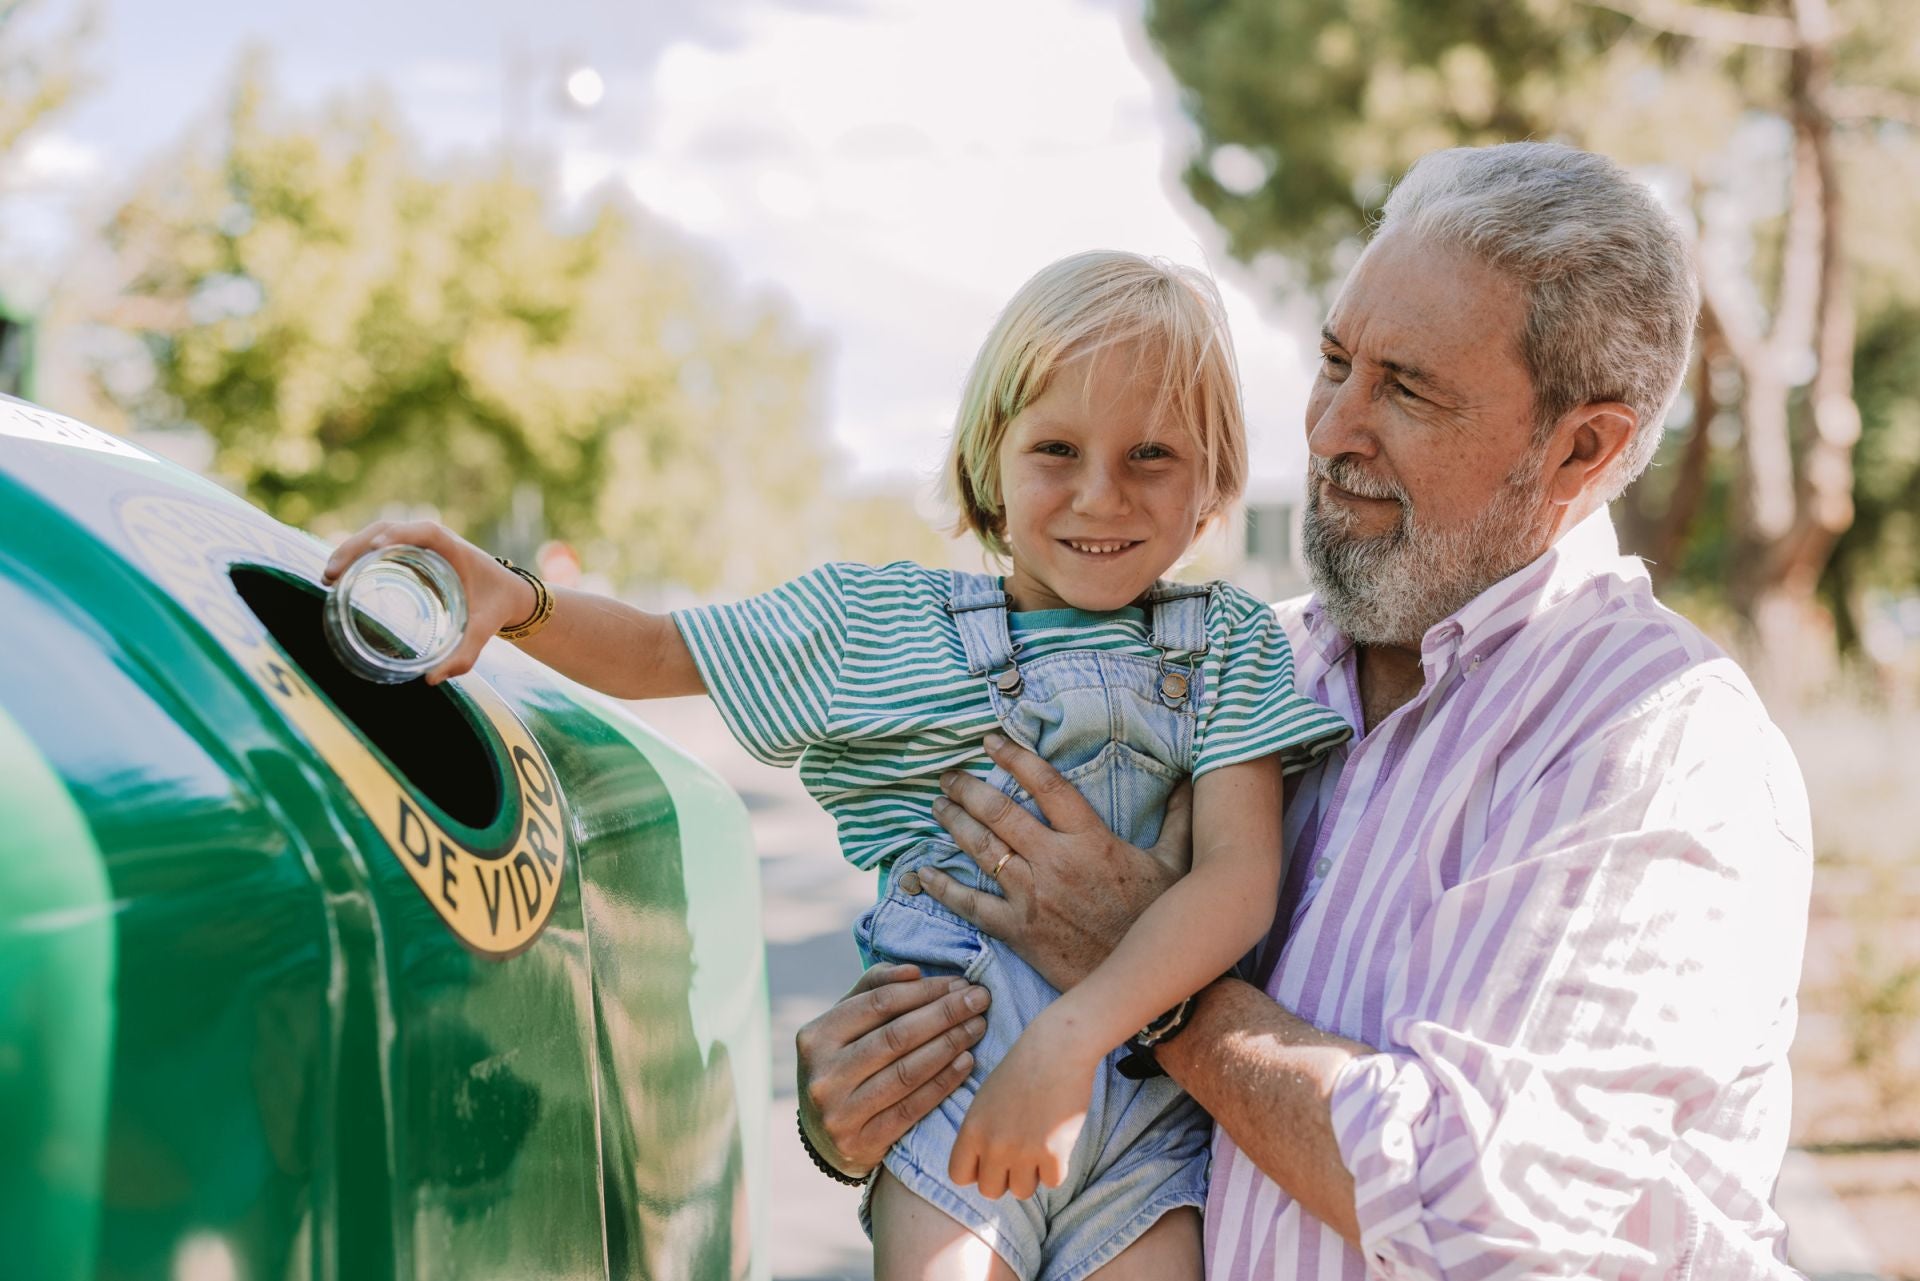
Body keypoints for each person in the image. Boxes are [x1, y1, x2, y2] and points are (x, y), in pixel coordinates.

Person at [795, 142, 1815, 1279]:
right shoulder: (1239, 670)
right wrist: (874, 1101)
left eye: (1408, 389)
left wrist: (1150, 997)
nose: (1332, 429)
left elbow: (1486, 1215)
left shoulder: (1659, 749)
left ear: (1582, 448)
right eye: (1336, 362)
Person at [321, 250, 1350, 1280]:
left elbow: (1236, 880)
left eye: (1152, 456)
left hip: (1147, 1128)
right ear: (986, 457)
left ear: (1214, 476)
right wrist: (516, 602)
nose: (1098, 495)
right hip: (942, 1085)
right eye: (1056, 448)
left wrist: (1070, 1039)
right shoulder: (877, 626)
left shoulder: (1228, 644)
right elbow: (656, 651)